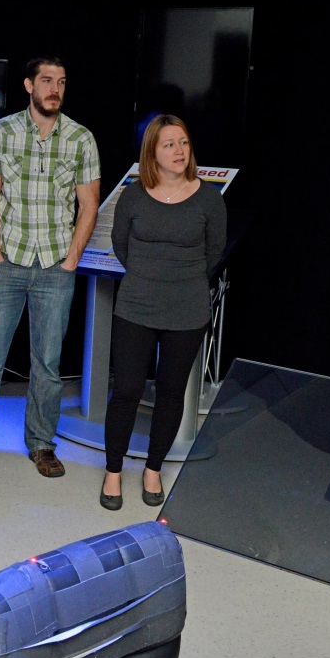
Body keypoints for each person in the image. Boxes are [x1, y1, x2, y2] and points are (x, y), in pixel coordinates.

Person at [0, 57, 100, 488]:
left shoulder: (81, 138)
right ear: (30, 85)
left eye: (62, 82)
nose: (55, 89)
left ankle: (41, 444)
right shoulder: (3, 131)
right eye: (47, 81)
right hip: (6, 263)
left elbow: (89, 205)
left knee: (47, 366)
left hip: (55, 266)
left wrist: (71, 259)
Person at [100, 115, 225, 510]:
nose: (179, 151)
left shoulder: (209, 199)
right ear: (152, 151)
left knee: (171, 393)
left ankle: (153, 468)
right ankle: (113, 471)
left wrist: (178, 281)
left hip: (187, 309)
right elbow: (121, 246)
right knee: (126, 392)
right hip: (136, 304)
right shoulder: (134, 195)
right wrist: (149, 276)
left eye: (183, 143)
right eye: (169, 144)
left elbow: (213, 253)